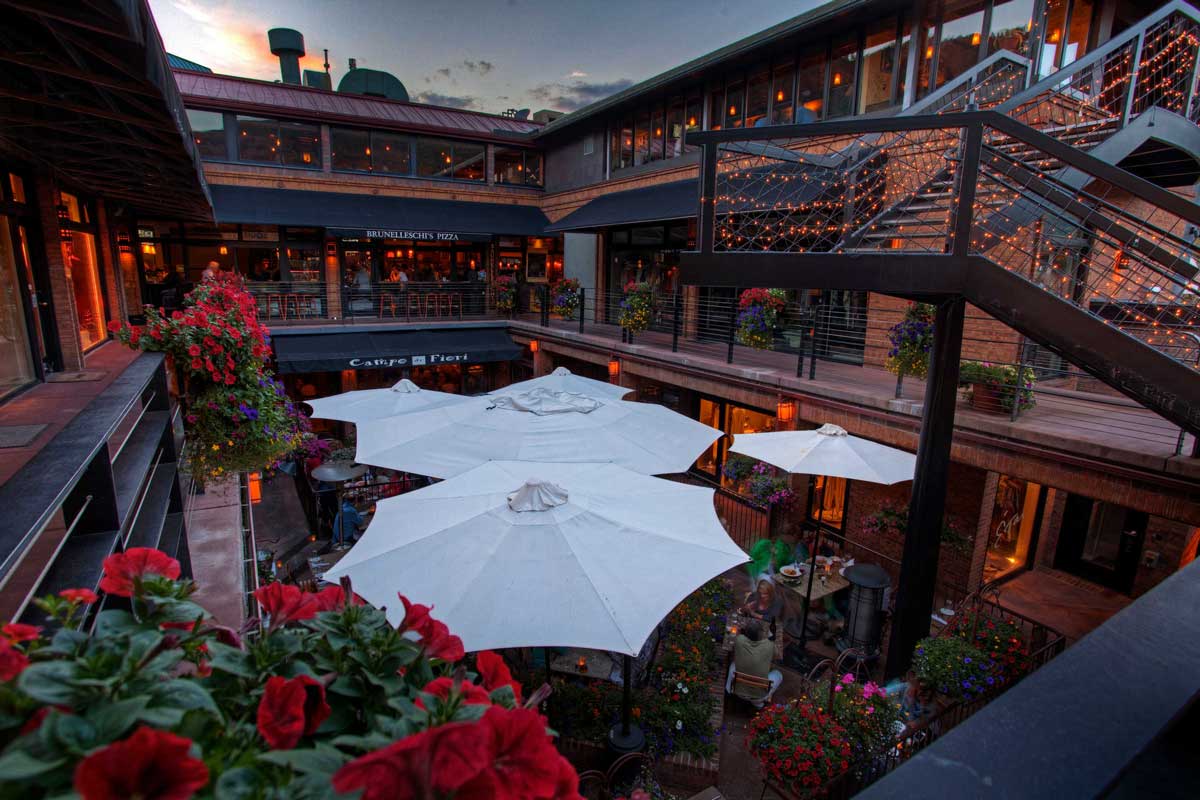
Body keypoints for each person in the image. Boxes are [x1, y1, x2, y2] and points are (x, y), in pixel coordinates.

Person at [725, 620, 783, 707]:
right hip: (759, 695)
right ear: (760, 634)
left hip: (737, 691)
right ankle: (757, 703)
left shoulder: (739, 640)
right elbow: (777, 655)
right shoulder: (769, 645)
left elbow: (736, 633)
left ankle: (728, 689)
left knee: (733, 664)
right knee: (778, 674)